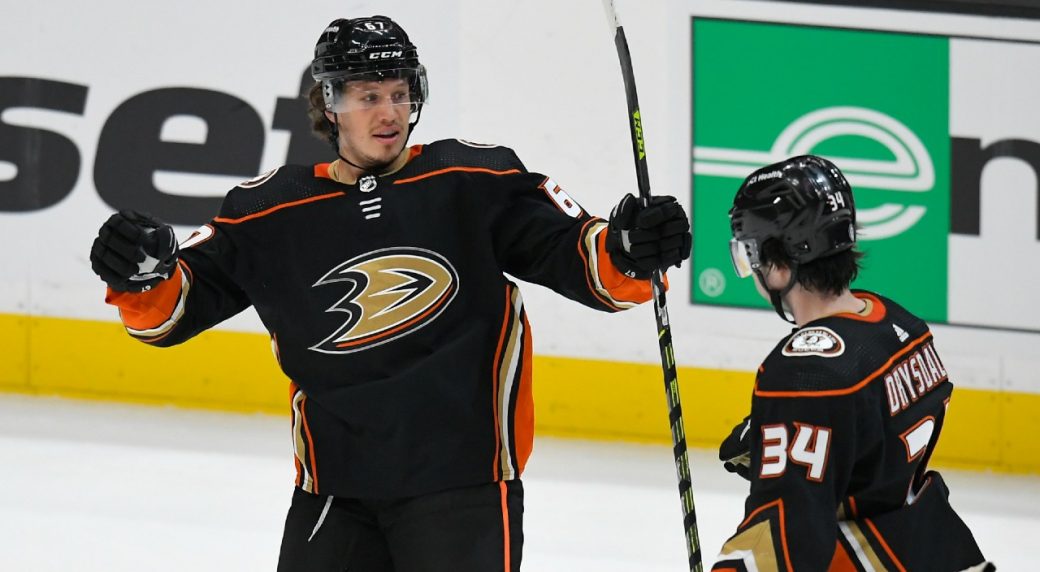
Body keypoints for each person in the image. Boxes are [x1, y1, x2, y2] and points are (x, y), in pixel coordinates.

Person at [88, 15, 691, 572]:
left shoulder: (473, 181)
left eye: (400, 94)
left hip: (462, 490)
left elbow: (582, 262)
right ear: (330, 103)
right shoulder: (268, 211)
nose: (390, 113)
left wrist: (629, 248)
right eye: (368, 96)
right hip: (332, 495)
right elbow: (170, 313)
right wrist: (140, 273)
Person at [713, 155, 993, 572]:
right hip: (938, 550)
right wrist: (797, 439)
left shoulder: (804, 375)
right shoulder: (899, 324)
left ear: (780, 263)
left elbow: (784, 540)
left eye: (749, 254)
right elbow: (873, 433)